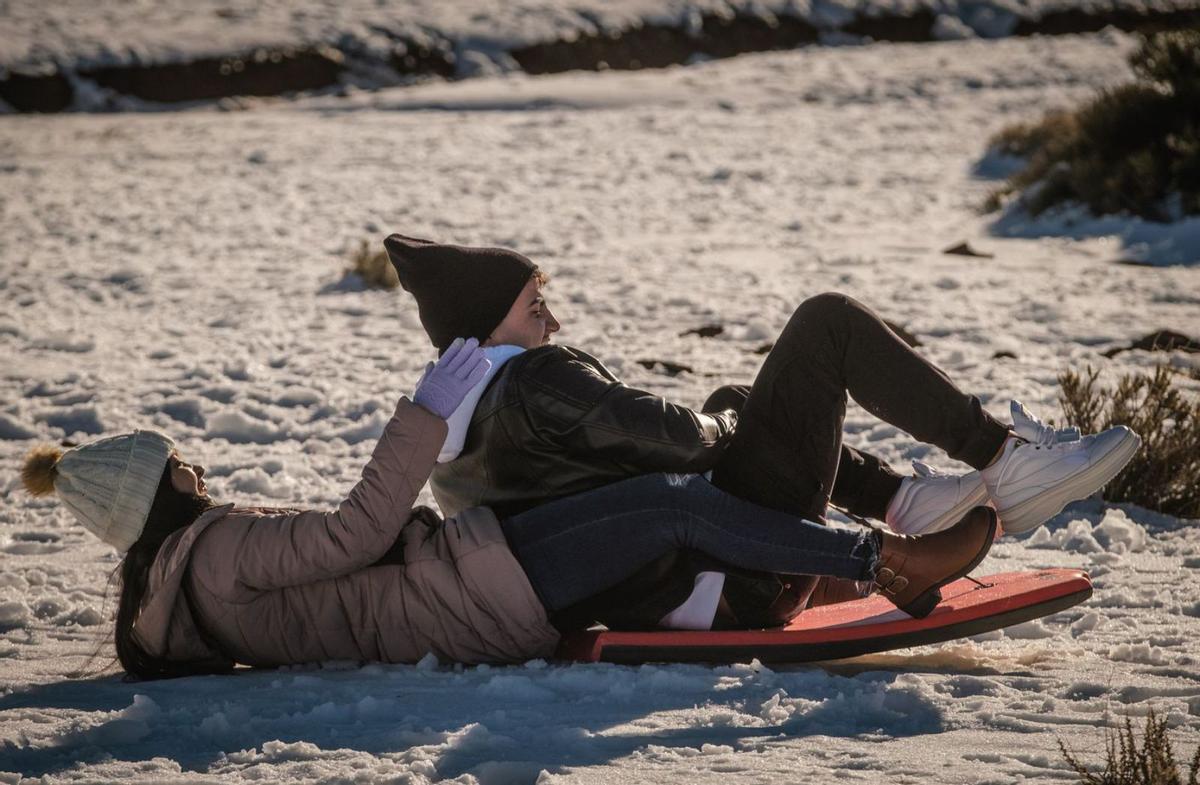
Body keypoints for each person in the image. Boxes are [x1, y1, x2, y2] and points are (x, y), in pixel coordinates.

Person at [21, 339, 997, 680]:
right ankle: (887, 563)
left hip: (468, 576)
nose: (191, 462)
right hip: (474, 596)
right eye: (172, 462)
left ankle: (819, 560)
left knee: (662, 503)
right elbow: (358, 529)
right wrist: (424, 416)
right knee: (672, 506)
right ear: (152, 492)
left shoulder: (191, 578)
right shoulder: (220, 552)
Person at [385, 233, 1141, 629]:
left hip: (659, 592)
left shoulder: (453, 436)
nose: (553, 319)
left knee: (735, 394)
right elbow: (680, 440)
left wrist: (731, 416)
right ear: (492, 329)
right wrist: (734, 422)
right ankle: (1001, 458)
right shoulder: (536, 379)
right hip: (730, 574)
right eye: (533, 306)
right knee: (826, 325)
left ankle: (906, 502)